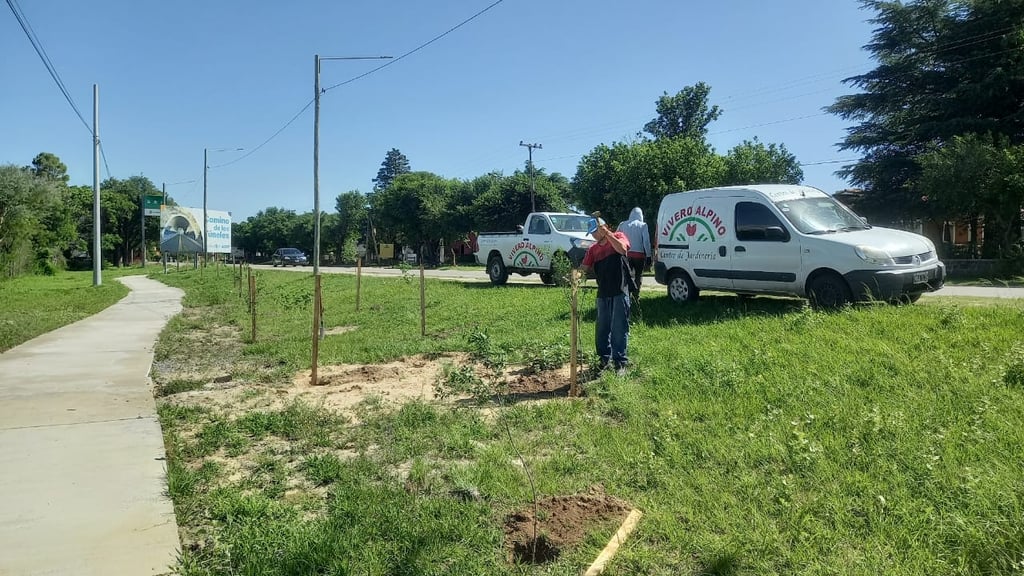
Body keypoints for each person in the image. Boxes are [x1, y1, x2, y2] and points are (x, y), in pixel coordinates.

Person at [581, 217, 633, 375]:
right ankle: (604, 360)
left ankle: (620, 363)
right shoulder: (593, 249)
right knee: (602, 329)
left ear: (603, 228)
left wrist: (608, 234)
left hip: (619, 290)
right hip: (603, 293)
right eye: (591, 233)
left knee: (619, 328)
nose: (593, 236)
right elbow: (584, 268)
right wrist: (575, 276)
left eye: (595, 232)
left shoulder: (618, 236)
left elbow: (622, 250)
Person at [617, 207, 652, 297]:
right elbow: (646, 242)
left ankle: (626, 294)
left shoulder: (622, 224)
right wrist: (648, 256)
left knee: (626, 275)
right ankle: (636, 295)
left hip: (626, 254)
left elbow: (616, 237)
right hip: (639, 255)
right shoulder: (643, 225)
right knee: (638, 276)